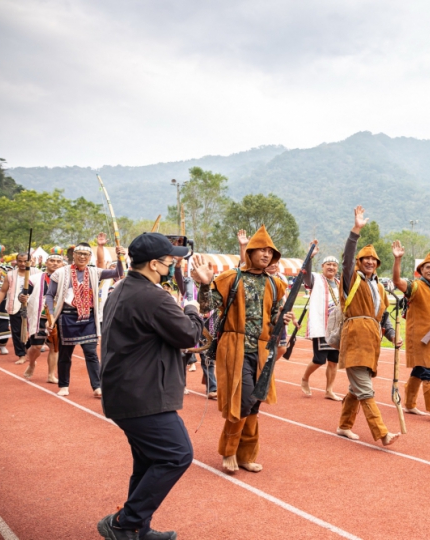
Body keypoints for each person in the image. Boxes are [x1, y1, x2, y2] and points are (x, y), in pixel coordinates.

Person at [97, 232, 204, 540]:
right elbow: (189, 335)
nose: (174, 265)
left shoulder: (121, 288)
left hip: (127, 391)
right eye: (171, 261)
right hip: (141, 394)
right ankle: (124, 522)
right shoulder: (153, 296)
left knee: (147, 461)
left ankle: (137, 530)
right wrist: (193, 305)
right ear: (155, 264)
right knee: (176, 454)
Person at [192, 226, 293, 473]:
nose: (266, 255)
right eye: (261, 250)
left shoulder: (276, 283)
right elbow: (207, 307)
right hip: (234, 346)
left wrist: (284, 317)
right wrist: (205, 285)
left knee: (255, 403)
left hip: (262, 350)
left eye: (270, 251)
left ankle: (246, 455)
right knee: (243, 400)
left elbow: (274, 314)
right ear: (250, 252)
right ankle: (228, 452)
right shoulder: (230, 278)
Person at [335, 206, 401, 446]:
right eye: (366, 259)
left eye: (373, 259)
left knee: (356, 388)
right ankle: (382, 433)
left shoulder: (381, 288)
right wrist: (356, 230)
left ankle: (344, 426)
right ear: (359, 262)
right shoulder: (351, 279)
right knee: (365, 390)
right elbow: (347, 258)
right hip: (354, 340)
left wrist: (392, 336)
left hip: (372, 343)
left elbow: (383, 318)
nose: (370, 262)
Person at [45, 243, 125, 397]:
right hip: (67, 316)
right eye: (79, 253)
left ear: (90, 257)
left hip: (88, 317)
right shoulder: (60, 273)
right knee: (65, 354)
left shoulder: (95, 272)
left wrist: (120, 257)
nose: (82, 257)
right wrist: (51, 316)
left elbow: (118, 273)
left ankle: (97, 387)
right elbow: (49, 295)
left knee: (91, 353)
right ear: (73, 255)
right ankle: (64, 385)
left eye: (85, 254)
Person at [391, 246, 430, 424]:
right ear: (421, 271)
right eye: (427, 268)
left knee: (419, 370)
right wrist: (398, 259)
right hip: (419, 337)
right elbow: (396, 281)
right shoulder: (415, 286)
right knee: (429, 373)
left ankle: (409, 403)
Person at [299, 251, 342, 401]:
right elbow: (306, 272)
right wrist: (310, 257)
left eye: (334, 265)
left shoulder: (339, 283)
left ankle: (329, 390)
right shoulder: (315, 279)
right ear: (322, 266)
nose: (331, 267)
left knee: (334, 361)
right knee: (319, 359)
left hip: (336, 328)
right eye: (328, 264)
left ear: (337, 268)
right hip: (322, 326)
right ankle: (305, 378)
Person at [19, 254, 65, 382]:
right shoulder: (34, 278)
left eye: (58, 261)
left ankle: (51, 375)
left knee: (54, 347)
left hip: (57, 317)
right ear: (46, 262)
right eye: (52, 261)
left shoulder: (66, 280)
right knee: (36, 347)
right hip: (40, 316)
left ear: (62, 264)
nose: (55, 263)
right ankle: (32, 363)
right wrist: (22, 297)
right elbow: (22, 294)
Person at [0, 252, 41, 364]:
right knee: (16, 332)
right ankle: (21, 355)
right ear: (16, 261)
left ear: (30, 261)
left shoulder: (37, 273)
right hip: (15, 306)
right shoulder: (10, 274)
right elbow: (2, 291)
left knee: (33, 331)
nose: (22, 263)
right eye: (20, 261)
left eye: (25, 261)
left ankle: (28, 350)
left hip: (33, 307)